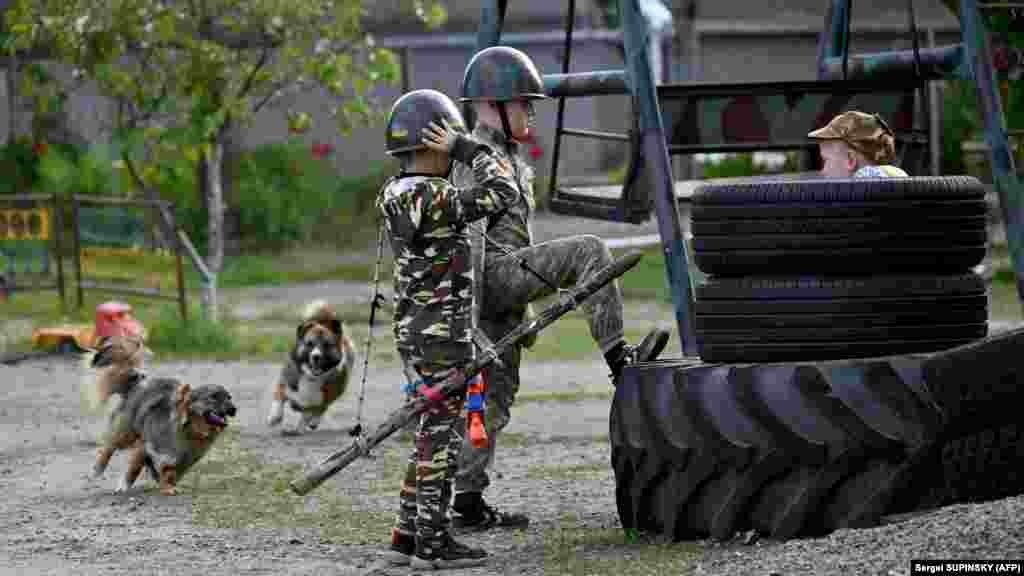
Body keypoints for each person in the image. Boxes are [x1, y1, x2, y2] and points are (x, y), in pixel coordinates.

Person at [449, 46, 671, 532]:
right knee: (591, 250)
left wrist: (518, 311)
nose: (531, 111)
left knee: (493, 402)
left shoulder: (502, 155)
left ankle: (466, 503)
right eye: (524, 103)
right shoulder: (475, 160)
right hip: (490, 279)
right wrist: (470, 326)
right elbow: (469, 247)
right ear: (496, 104)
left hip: (503, 286)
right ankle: (620, 361)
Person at [376, 88, 520, 570]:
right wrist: (469, 148)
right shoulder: (437, 196)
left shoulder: (394, 193)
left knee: (427, 432)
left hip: (413, 334)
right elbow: (506, 191)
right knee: (442, 440)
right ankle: (434, 545)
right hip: (442, 336)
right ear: (435, 141)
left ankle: (405, 536)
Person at [808, 110, 910, 178]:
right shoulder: (905, 190)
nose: (823, 172)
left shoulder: (848, 205)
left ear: (850, 160)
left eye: (825, 160)